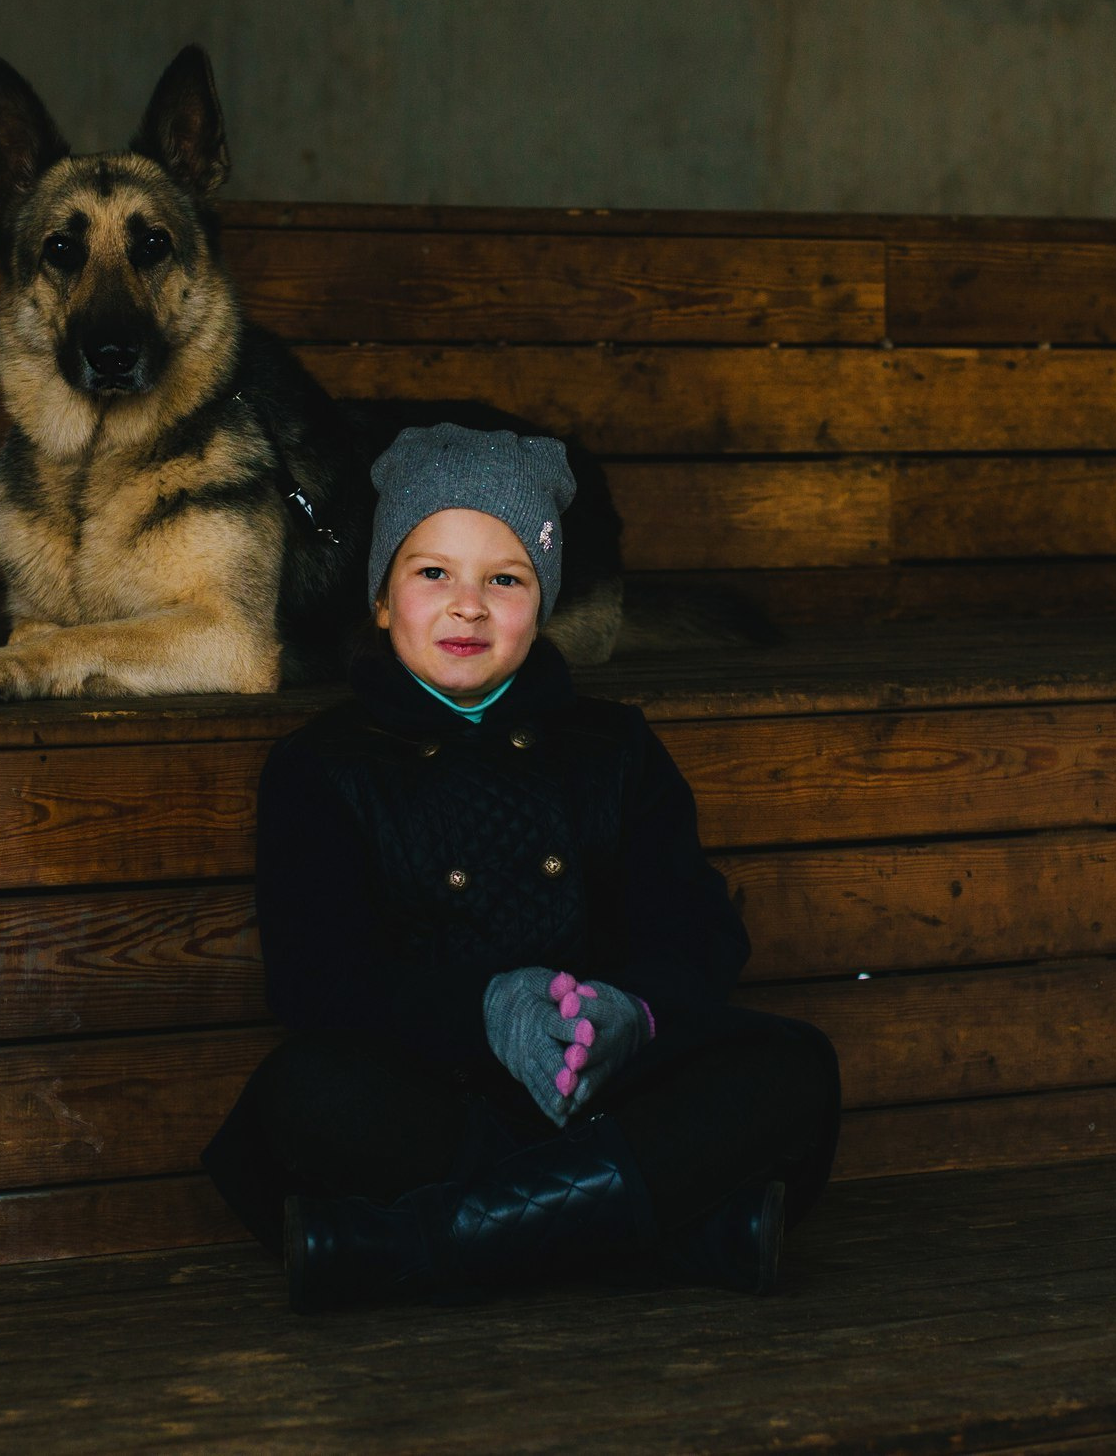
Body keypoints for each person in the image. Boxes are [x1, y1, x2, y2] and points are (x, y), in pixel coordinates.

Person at [202, 422, 842, 1312]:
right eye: (433, 573)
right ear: (382, 598)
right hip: (442, 1100)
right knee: (306, 1095)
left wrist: (632, 1012)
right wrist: (486, 1010)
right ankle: (678, 1236)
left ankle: (404, 1247)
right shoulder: (323, 766)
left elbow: (696, 929)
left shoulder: (614, 748)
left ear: (540, 607)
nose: (468, 605)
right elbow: (319, 980)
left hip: (604, 1092)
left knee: (792, 1068)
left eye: (504, 579)